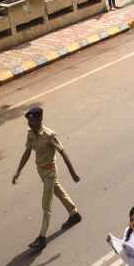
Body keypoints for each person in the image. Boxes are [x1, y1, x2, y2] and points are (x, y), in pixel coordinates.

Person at [12, 106, 82, 250]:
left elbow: (63, 153)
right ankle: (74, 214)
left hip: (50, 172)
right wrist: (18, 171)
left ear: (40, 119)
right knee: (59, 192)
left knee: (46, 204)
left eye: (32, 121)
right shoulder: (30, 134)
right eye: (28, 121)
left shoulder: (49, 135)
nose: (29, 124)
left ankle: (42, 238)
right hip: (41, 172)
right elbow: (27, 152)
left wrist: (73, 173)